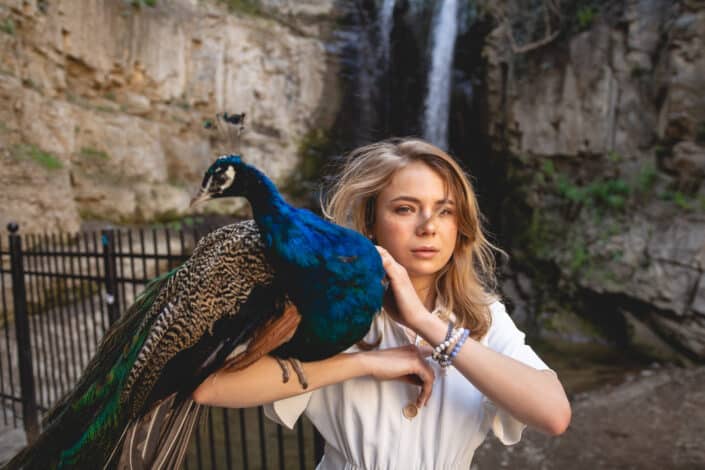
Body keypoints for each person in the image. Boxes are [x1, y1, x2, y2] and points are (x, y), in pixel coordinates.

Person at [192, 137, 571, 469]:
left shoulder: (482, 318)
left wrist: (428, 324)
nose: (428, 226)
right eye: (405, 209)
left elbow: (554, 415)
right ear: (371, 222)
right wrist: (364, 363)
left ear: (460, 227)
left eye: (445, 210)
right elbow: (211, 387)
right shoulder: (326, 305)